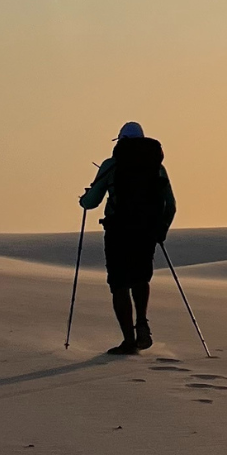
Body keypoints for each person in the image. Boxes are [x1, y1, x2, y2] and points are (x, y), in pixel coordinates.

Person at [80, 122, 177, 354]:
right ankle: (142, 322)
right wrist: (160, 230)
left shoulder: (111, 165)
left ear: (120, 140)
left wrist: (84, 199)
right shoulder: (156, 167)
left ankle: (128, 340)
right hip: (146, 232)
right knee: (141, 278)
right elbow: (170, 206)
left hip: (118, 231)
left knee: (119, 284)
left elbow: (91, 202)